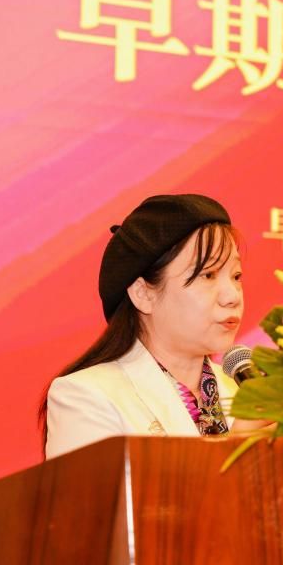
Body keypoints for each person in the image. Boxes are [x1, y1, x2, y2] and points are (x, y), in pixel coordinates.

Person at [40, 194, 268, 459]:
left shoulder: (247, 392)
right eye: (208, 275)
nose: (232, 296)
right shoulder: (85, 396)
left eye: (236, 276)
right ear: (143, 293)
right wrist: (237, 447)